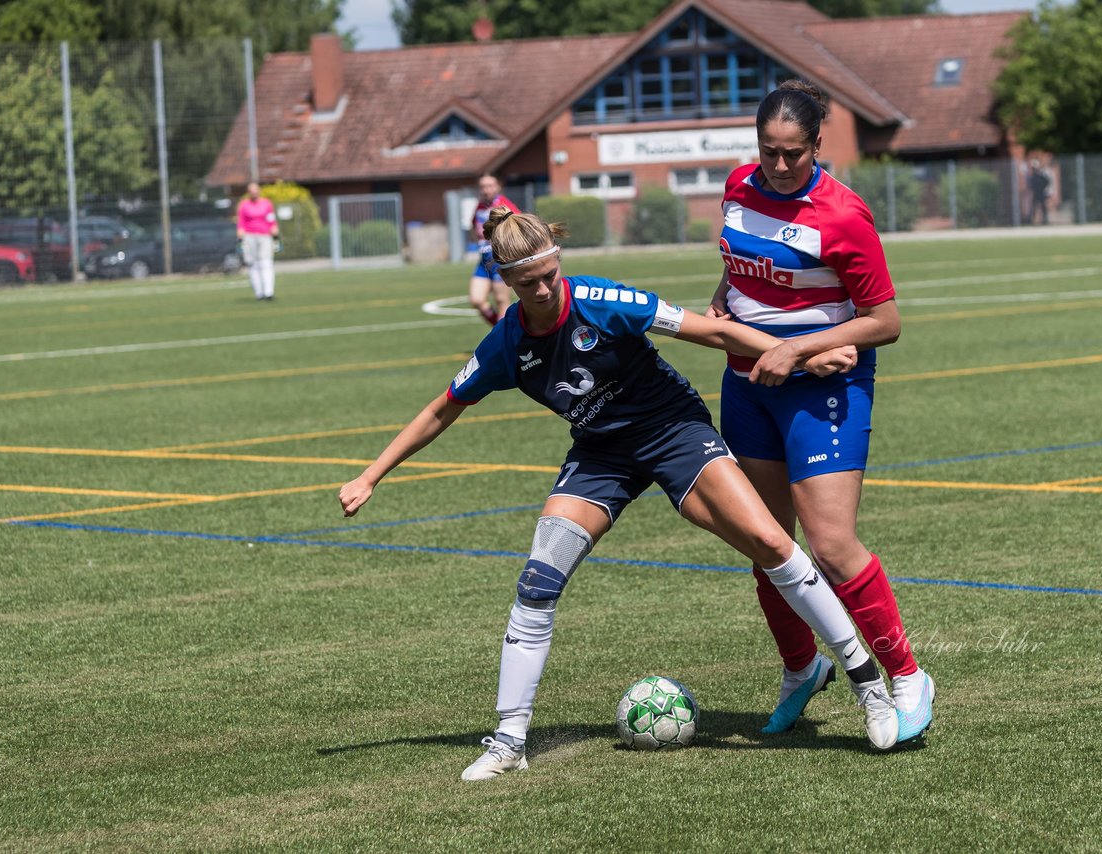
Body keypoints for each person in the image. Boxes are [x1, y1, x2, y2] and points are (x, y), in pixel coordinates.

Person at [339, 208, 902, 782]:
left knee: (768, 540)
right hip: (601, 455)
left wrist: (801, 354)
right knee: (537, 582)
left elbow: (715, 330)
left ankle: (866, 685)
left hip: (673, 431)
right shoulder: (506, 343)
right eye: (528, 282)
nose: (543, 288)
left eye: (550, 274)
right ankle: (509, 740)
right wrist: (371, 475)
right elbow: (442, 408)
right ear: (505, 281)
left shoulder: (603, 300)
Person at [707, 79, 934, 742]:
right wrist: (722, 297)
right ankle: (801, 668)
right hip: (746, 386)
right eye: (768, 151)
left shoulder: (842, 214)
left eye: (793, 154)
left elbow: (885, 322)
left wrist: (802, 351)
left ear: (816, 147)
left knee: (831, 545)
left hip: (824, 387)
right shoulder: (736, 187)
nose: (778, 166)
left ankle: (908, 675)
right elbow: (738, 264)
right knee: (766, 545)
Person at [467, 174, 520, 324]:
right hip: (484, 261)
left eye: (490, 186)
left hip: (501, 260)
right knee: (476, 299)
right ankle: (500, 332)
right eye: (483, 186)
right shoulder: (479, 206)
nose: (486, 190)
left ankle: (504, 339)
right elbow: (473, 226)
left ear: (497, 187)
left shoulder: (504, 205)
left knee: (501, 300)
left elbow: (519, 225)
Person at [236, 181, 280, 300]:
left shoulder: (266, 203)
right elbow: (241, 223)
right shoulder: (244, 205)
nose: (254, 193)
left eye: (256, 190)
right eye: (251, 191)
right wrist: (240, 235)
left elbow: (271, 219)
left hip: (265, 236)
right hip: (249, 236)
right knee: (253, 264)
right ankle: (259, 293)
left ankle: (269, 292)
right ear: (248, 192)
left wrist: (274, 230)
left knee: (266, 262)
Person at [1028, 159, 1051, 225]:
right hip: (1036, 193)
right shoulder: (1033, 176)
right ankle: (1033, 220)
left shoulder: (1041, 175)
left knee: (1043, 207)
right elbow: (1031, 184)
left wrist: (1043, 188)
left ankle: (1045, 220)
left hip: (1041, 193)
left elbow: (1047, 181)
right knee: (1034, 207)